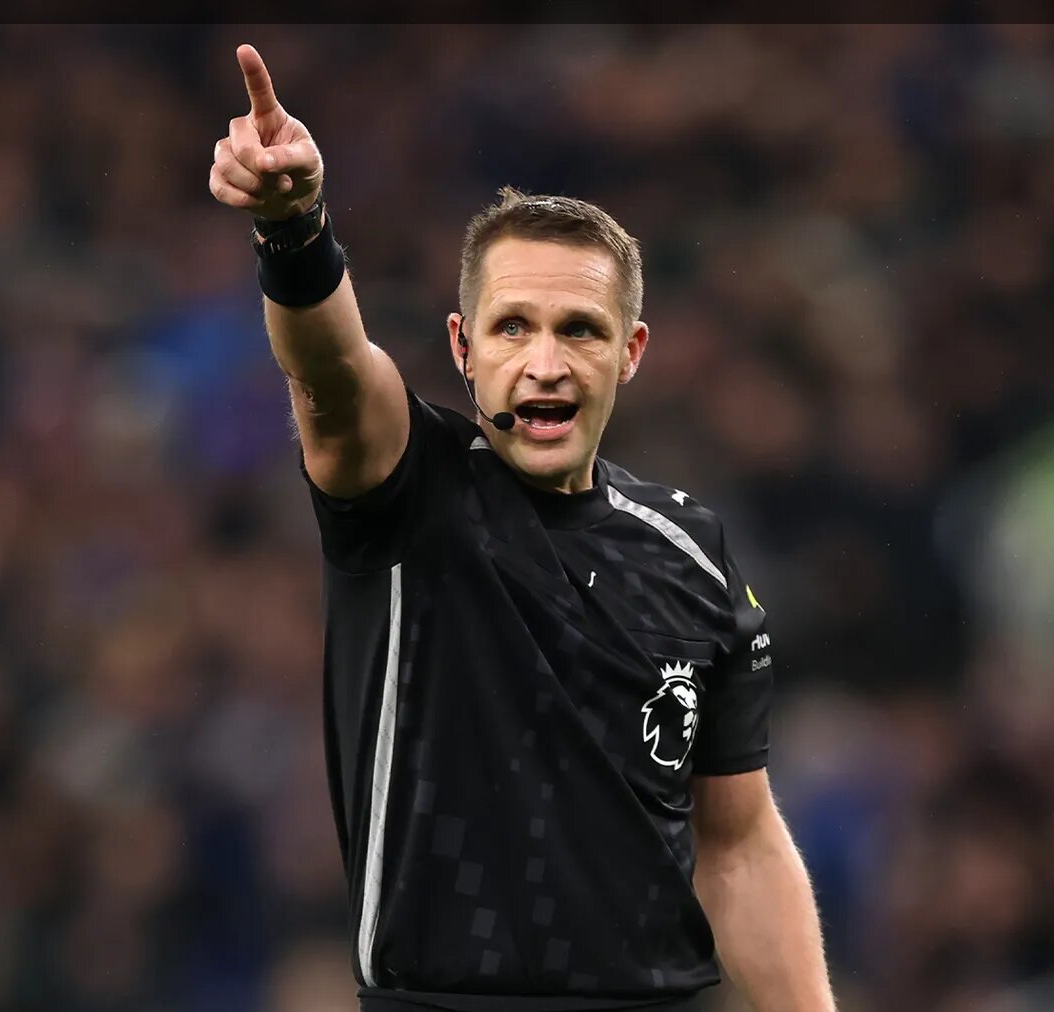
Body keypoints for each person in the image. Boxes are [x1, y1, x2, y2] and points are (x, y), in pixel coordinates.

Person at [209, 44, 836, 1012]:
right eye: (512, 327)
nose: (545, 362)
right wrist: (293, 230)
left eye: (580, 328)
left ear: (630, 352)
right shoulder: (407, 484)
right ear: (462, 346)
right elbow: (329, 372)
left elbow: (738, 842)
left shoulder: (691, 553)